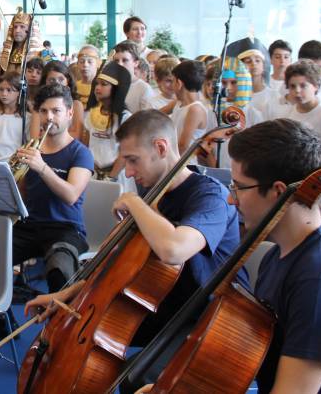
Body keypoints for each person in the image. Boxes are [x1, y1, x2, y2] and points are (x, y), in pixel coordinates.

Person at [26, 110, 243, 386]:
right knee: (70, 338)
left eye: (132, 160)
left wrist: (135, 202)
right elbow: (120, 267)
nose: (128, 171)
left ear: (161, 148)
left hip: (204, 319)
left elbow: (173, 249)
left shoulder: (210, 195)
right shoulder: (151, 190)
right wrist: (70, 295)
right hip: (159, 305)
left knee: (135, 379)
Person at [226, 119, 321, 393]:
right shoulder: (277, 255)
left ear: (277, 192)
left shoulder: (320, 280)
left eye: (238, 187)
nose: (231, 199)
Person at [11, 83, 94, 292]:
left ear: (69, 113)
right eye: (44, 111)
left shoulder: (80, 153)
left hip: (65, 228)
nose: (49, 117)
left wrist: (42, 168)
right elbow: (21, 193)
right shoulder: (31, 148)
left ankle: (59, 323)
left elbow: (71, 195)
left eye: (56, 111)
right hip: (31, 225)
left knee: (60, 270)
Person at [82, 61, 132, 189]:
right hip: (92, 172)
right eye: (97, 84)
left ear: (116, 88)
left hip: (117, 176)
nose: (97, 88)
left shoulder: (125, 117)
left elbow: (125, 152)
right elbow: (85, 145)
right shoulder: (90, 114)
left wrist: (111, 177)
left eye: (104, 84)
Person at [168, 60, 210, 155]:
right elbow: (156, 114)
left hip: (184, 164)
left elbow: (183, 146)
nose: (171, 86)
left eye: (173, 81)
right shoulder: (178, 103)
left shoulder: (195, 109)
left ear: (179, 83)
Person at [283, 60, 321, 139]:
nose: (297, 90)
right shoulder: (288, 112)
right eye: (292, 86)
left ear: (316, 86)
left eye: (303, 86)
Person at [113, 41, 155, 113]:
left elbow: (147, 120)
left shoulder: (144, 89)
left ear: (136, 63)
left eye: (125, 60)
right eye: (116, 61)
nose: (120, 64)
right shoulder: (110, 84)